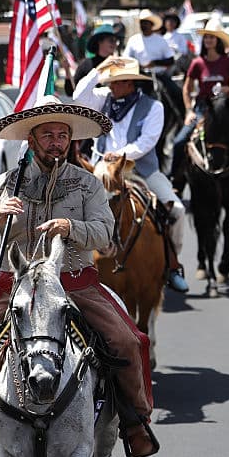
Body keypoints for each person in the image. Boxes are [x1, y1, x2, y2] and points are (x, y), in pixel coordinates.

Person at [0, 97, 158, 457]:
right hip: (19, 289)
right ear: (31, 140)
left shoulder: (86, 184)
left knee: (129, 342)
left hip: (75, 284)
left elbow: (105, 233)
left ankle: (134, 424)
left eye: (63, 135)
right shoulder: (6, 183)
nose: (57, 142)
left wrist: (71, 228)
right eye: (48, 134)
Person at [72, 56, 189, 293]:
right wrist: (98, 70)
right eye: (111, 81)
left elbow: (146, 141)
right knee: (72, 207)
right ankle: (72, 264)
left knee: (177, 210)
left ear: (130, 83)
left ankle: (172, 264)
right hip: (102, 171)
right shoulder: (103, 99)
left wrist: (119, 155)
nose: (112, 85)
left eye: (117, 81)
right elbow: (78, 97)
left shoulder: (154, 106)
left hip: (139, 170)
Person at [170, 18, 229, 188]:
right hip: (202, 109)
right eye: (206, 37)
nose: (208, 40)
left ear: (218, 40)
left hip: (224, 107)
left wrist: (228, 89)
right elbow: (186, 88)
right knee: (179, 142)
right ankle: (176, 182)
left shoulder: (228, 62)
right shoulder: (197, 63)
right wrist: (189, 110)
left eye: (212, 37)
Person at [123, 9, 183, 108]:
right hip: (138, 76)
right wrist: (138, 65)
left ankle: (181, 118)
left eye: (146, 23)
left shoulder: (160, 40)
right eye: (142, 23)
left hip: (159, 75)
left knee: (177, 92)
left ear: (152, 25)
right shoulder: (133, 40)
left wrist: (154, 63)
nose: (144, 25)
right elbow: (126, 59)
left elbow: (170, 60)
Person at [67, 23, 120, 96]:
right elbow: (71, 91)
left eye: (115, 41)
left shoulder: (119, 64)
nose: (114, 44)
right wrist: (67, 71)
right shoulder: (86, 65)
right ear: (100, 42)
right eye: (111, 40)